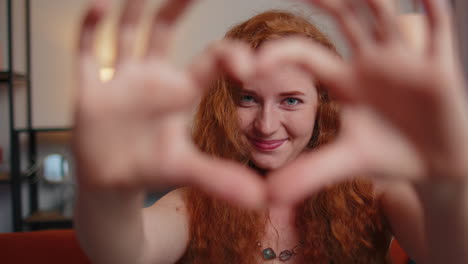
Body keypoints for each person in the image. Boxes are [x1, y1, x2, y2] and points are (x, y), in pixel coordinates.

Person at [73, 0, 468, 263]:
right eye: (248, 99)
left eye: (291, 101)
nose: (265, 124)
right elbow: (124, 252)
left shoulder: (374, 192)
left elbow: (451, 253)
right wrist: (108, 192)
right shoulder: (194, 204)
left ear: (322, 106)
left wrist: (449, 187)